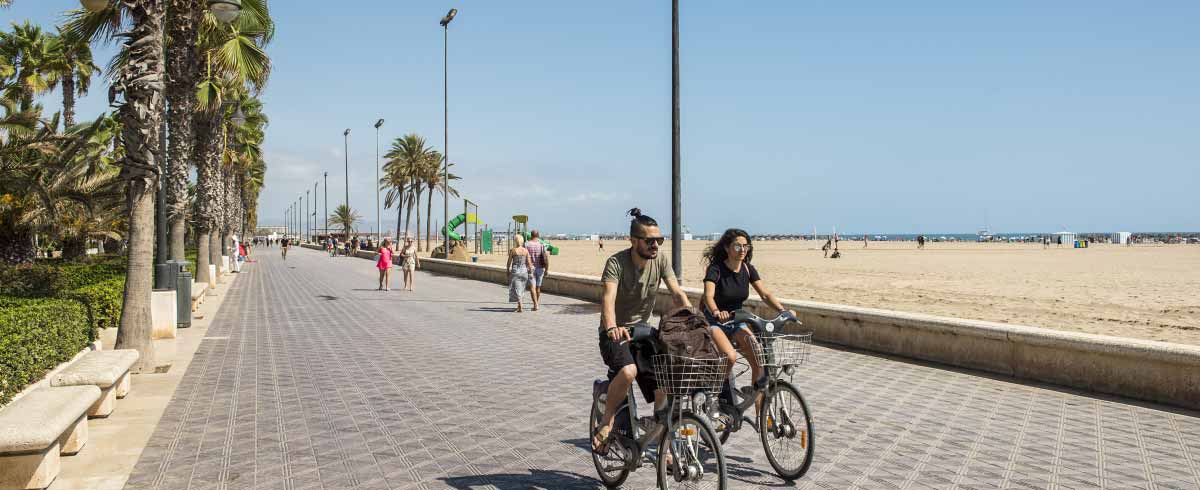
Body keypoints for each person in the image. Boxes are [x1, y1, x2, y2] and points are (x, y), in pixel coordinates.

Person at [592, 208, 692, 453]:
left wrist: (694, 319)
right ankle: (606, 422)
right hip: (615, 333)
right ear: (633, 240)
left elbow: (677, 294)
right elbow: (608, 299)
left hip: (643, 332)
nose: (655, 245)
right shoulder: (616, 263)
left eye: (659, 240)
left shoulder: (660, 261)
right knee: (628, 371)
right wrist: (612, 327)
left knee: (666, 380)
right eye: (649, 241)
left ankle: (663, 445)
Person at [701, 228, 796, 416]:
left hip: (737, 320)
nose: (742, 250)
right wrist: (717, 312)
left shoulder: (747, 269)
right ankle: (713, 395)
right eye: (737, 246)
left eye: (746, 246)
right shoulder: (716, 269)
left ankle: (761, 416)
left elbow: (765, 294)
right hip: (714, 321)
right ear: (727, 248)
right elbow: (708, 296)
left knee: (759, 359)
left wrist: (783, 311)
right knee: (730, 357)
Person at [507, 235, 534, 312]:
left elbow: (509, 262)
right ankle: (519, 306)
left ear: (515, 241)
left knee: (517, 289)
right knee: (521, 289)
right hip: (524, 272)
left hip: (515, 271)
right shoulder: (526, 251)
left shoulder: (513, 250)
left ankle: (520, 306)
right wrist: (531, 273)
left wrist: (507, 270)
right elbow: (529, 263)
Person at [525, 230, 549, 311]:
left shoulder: (526, 244)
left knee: (532, 287)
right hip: (541, 268)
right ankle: (536, 303)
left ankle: (535, 304)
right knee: (538, 287)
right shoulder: (542, 245)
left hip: (530, 269)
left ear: (531, 235)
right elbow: (546, 258)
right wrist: (546, 269)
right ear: (538, 236)